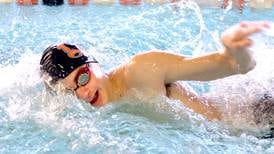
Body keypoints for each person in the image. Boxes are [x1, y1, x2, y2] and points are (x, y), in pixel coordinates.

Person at [40, 21, 269, 122]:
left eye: (82, 78)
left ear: (95, 64)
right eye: (72, 91)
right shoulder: (104, 113)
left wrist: (233, 48)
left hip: (255, 116)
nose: (83, 94)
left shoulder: (142, 70)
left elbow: (239, 66)